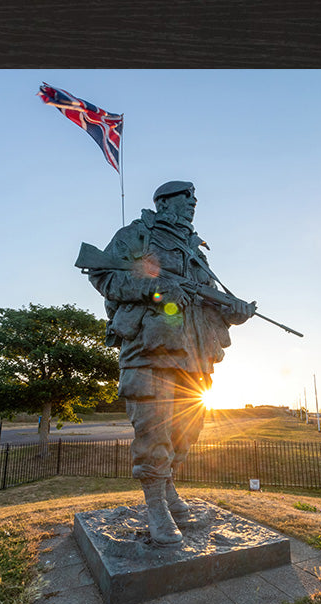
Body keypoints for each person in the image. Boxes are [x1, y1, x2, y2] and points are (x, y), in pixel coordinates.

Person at [88, 181, 256, 546]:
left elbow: (207, 301)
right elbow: (103, 274)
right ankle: (156, 508)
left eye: (194, 199)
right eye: (185, 198)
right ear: (164, 202)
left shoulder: (196, 251)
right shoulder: (138, 235)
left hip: (194, 358)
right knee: (154, 432)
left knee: (185, 433)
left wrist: (234, 312)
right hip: (149, 354)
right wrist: (154, 288)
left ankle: (169, 492)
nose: (193, 203)